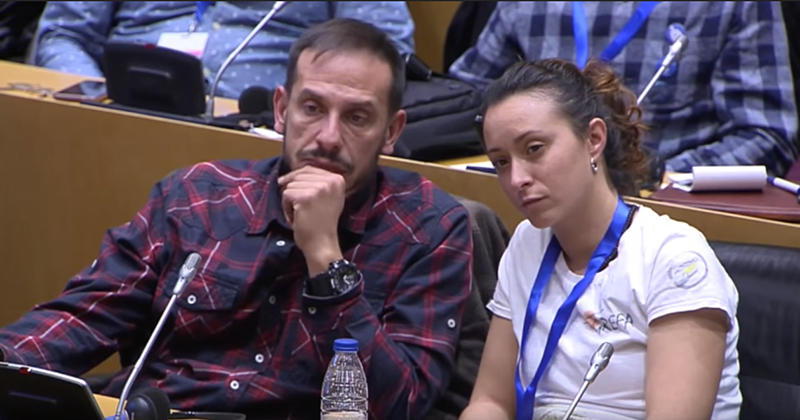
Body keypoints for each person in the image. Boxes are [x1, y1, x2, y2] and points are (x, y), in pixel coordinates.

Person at [0, 18, 472, 420]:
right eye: (312, 109)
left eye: (356, 118)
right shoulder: (199, 195)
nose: (328, 138)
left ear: (391, 132)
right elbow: (86, 315)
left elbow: (399, 403)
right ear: (282, 110)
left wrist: (326, 258)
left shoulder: (429, 227)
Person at [459, 58, 741, 420]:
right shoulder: (527, 243)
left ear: (593, 139)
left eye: (534, 149)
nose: (517, 180)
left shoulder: (673, 257)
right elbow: (491, 402)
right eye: (501, 162)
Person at [449, 2, 798, 176]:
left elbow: (767, 134)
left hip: (664, 209)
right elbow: (465, 99)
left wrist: (662, 174)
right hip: (538, 200)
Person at [30, 1, 415, 99]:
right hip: (113, 114)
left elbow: (383, 52)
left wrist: (301, 112)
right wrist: (96, 97)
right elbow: (63, 34)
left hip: (263, 130)